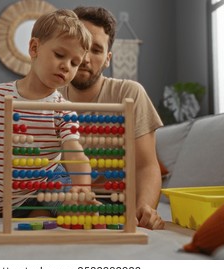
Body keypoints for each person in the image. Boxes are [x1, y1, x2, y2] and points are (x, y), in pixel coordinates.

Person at [0, 9, 93, 219]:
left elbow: (74, 150)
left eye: (75, 63)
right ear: (34, 47)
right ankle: (36, 214)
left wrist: (82, 187)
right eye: (59, 55)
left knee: (70, 201)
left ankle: (77, 206)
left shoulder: (64, 109)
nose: (66, 66)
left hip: (45, 187)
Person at [59, 6, 165, 229]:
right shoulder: (48, 99)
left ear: (108, 59)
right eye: (81, 46)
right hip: (63, 201)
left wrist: (144, 206)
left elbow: (146, 165)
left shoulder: (129, 94)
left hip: (117, 206)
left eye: (96, 50)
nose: (86, 58)